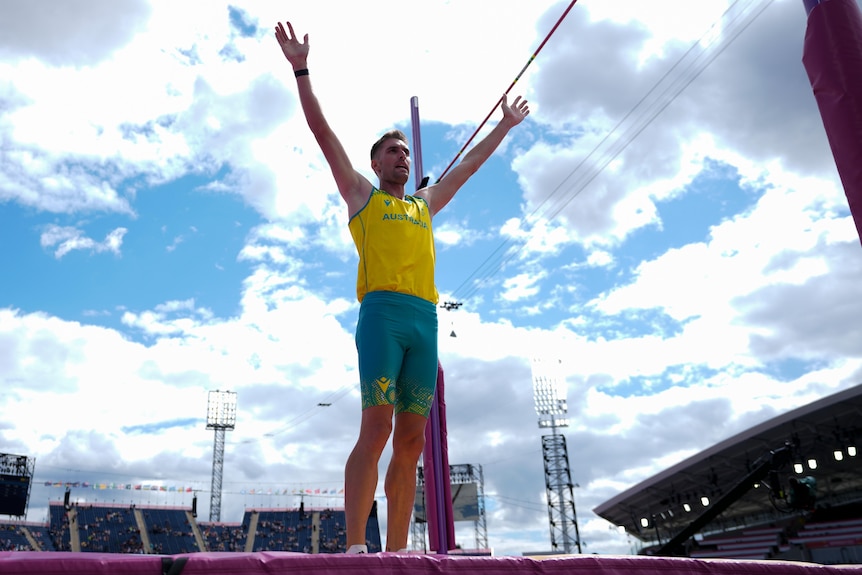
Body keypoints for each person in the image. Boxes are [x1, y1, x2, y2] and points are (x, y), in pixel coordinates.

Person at [274, 20, 530, 554]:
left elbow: (468, 170)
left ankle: (395, 552)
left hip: (425, 321)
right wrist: (301, 71)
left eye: (405, 152)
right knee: (378, 428)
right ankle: (353, 546)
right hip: (383, 316)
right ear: (374, 163)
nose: (401, 157)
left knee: (412, 440)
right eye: (392, 151)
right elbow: (323, 134)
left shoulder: (424, 205)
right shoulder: (363, 197)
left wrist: (504, 127)